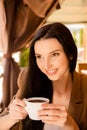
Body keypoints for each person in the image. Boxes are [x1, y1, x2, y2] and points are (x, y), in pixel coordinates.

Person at [0, 22, 87, 130]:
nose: (46, 65)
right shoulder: (28, 78)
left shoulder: (84, 86)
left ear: (70, 54)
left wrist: (70, 125)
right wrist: (11, 117)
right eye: (39, 56)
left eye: (54, 54)